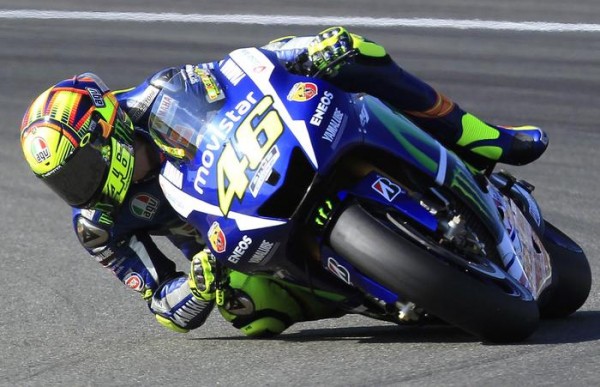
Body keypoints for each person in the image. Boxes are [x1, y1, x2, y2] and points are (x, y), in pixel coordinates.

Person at [19, 27, 548, 336]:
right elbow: (161, 304)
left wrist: (309, 52)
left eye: (80, 168)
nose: (79, 188)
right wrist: (196, 286)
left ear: (106, 133)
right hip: (236, 242)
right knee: (249, 316)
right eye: (62, 181)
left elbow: (243, 69)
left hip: (264, 158)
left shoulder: (160, 94)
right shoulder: (97, 227)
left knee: (351, 51)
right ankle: (378, 292)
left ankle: (481, 137)